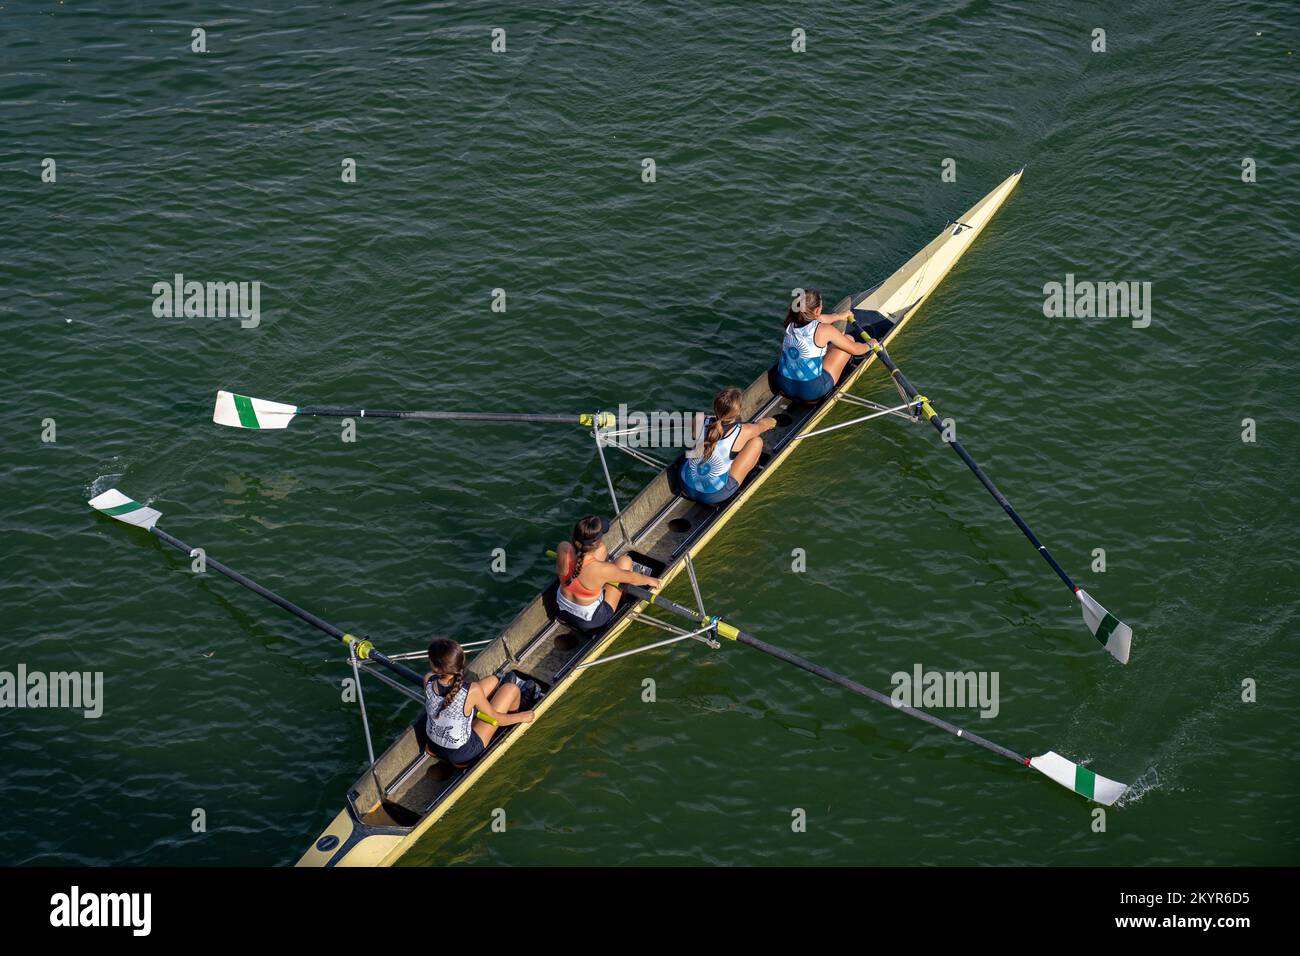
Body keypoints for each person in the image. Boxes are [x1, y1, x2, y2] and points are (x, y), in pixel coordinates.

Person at [423, 638, 535, 766]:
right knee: (511, 689)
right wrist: (523, 716)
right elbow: (497, 719)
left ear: (434, 667)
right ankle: (515, 709)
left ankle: (496, 699)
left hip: (432, 744)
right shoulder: (472, 690)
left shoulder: (428, 679)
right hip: (462, 752)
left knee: (493, 680)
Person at [553, 515, 661, 631]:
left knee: (602, 552)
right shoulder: (602, 569)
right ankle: (622, 597)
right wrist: (652, 581)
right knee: (625, 561)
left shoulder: (563, 548)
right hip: (590, 621)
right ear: (597, 542)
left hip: (560, 610)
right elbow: (633, 578)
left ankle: (600, 584)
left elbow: (580, 564)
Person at [773, 287, 878, 402]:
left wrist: (838, 316)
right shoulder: (825, 330)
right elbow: (856, 350)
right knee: (849, 339)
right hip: (811, 392)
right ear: (817, 310)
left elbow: (820, 319)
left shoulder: (790, 322)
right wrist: (870, 344)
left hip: (782, 384)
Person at [679, 387, 776, 505]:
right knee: (756, 442)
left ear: (715, 407)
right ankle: (750, 470)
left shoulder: (698, 419)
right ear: (739, 410)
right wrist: (772, 421)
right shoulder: (745, 431)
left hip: (685, 483)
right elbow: (764, 425)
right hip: (714, 495)